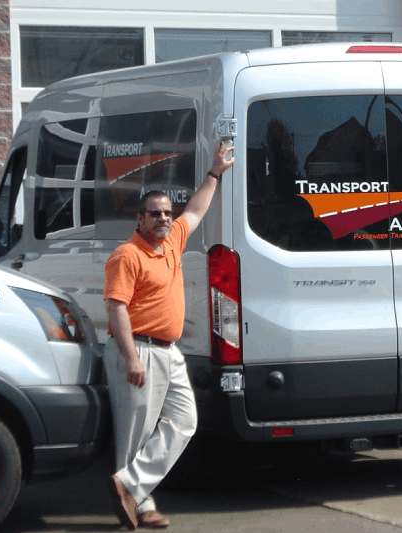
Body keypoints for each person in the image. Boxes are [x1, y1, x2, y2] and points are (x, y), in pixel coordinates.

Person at [104, 139, 234, 529]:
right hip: (139, 349)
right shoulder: (127, 255)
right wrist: (130, 358)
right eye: (154, 214)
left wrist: (214, 173)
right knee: (135, 433)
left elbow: (195, 209)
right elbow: (116, 308)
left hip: (169, 350)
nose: (163, 219)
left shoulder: (171, 241)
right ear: (139, 219)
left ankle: (129, 485)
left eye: (166, 213)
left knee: (184, 421)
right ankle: (141, 505)